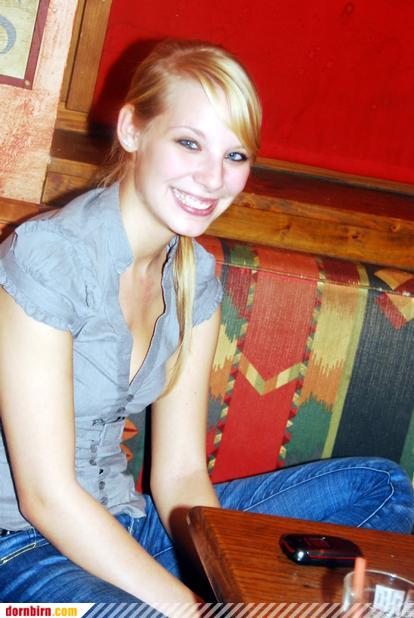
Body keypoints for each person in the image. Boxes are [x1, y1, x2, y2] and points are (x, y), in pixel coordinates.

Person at [0, 39, 412, 612]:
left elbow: (181, 475)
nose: (213, 179)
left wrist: (225, 581)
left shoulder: (195, 277)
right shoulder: (46, 258)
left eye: (235, 156)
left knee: (379, 488)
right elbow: (46, 497)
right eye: (189, 143)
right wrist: (198, 609)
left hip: (127, 526)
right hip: (20, 552)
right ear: (132, 130)